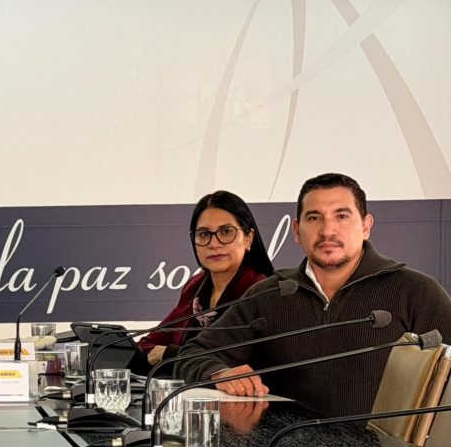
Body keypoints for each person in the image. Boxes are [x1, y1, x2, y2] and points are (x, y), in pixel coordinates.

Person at [176, 173, 451, 417]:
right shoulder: (269, 294)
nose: (327, 230)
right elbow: (192, 354)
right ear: (297, 231)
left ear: (366, 226)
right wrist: (220, 373)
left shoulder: (414, 291)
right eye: (314, 218)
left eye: (342, 216)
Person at [139, 190, 274, 366]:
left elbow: (239, 360)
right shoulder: (195, 288)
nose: (214, 243)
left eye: (226, 232)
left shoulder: (262, 291)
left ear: (248, 238)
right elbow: (147, 344)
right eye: (203, 234)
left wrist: (172, 354)